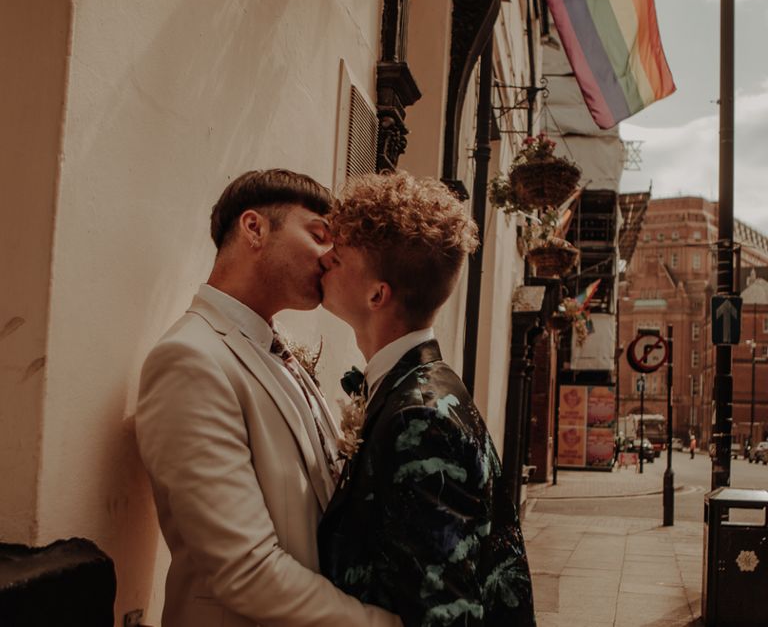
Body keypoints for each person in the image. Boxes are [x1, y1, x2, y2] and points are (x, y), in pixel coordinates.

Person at [136, 169, 401, 627]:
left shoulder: (277, 349)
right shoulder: (190, 360)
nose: (330, 256)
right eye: (320, 236)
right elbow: (246, 569)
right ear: (254, 228)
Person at [317, 172, 536, 627]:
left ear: (378, 295)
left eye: (338, 257)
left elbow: (446, 613)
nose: (324, 260)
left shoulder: (420, 416)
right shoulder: (412, 386)